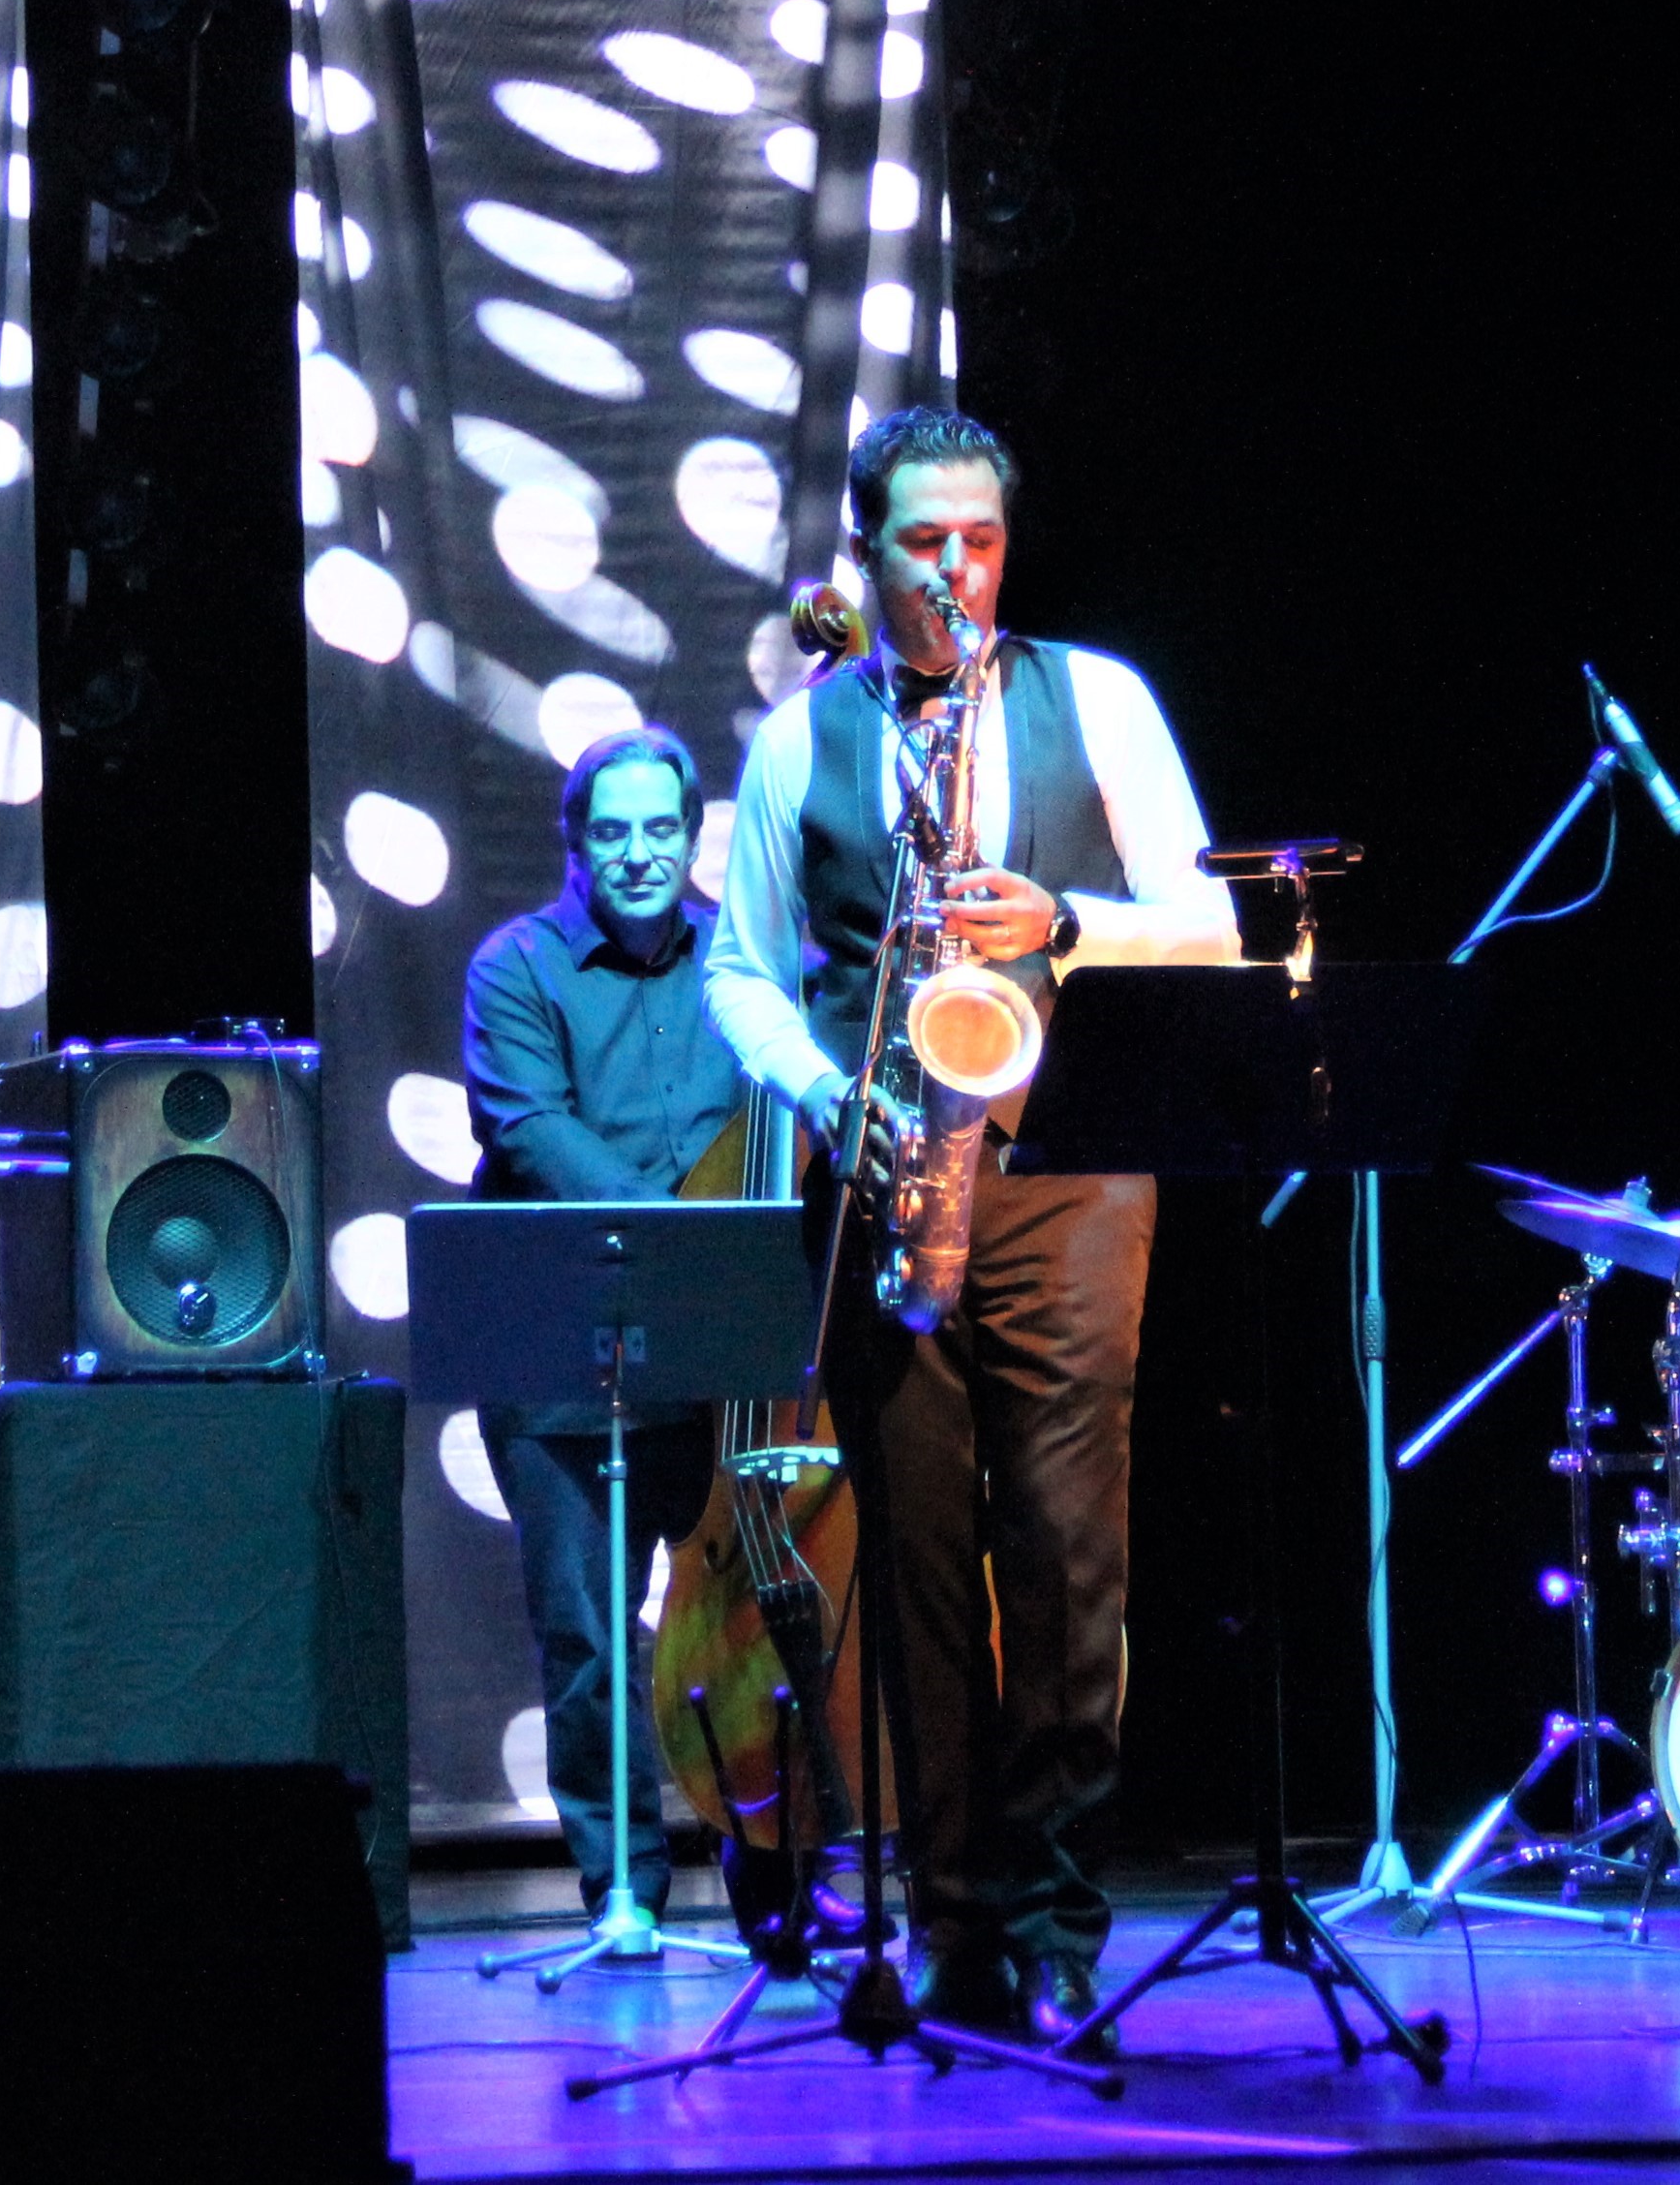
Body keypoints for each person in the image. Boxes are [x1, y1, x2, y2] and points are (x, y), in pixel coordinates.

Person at [709, 407, 1236, 2048]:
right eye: (925, 542)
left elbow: (1212, 922)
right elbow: (740, 968)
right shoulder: (801, 737)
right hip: (884, 1174)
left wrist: (1061, 919)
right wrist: (823, 1089)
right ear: (866, 552)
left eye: (982, 541)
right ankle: (952, 1924)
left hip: (1069, 1165)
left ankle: (1061, 1918)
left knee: (1069, 1553)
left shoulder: (1101, 697)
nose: (957, 571)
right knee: (920, 1564)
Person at [457, 727, 748, 1935]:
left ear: (690, 836)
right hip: (561, 1351)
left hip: (718, 1352)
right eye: (612, 830)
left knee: (749, 1623)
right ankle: (620, 1885)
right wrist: (682, 1231)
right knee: (587, 1635)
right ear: (574, 842)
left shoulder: (740, 959)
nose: (638, 853)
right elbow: (530, 1130)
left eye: (660, 828)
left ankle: (771, 1870)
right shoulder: (514, 963)